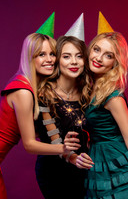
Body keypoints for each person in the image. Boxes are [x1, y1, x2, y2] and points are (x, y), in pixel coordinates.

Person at [0, 32, 79, 199]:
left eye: (52, 54)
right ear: (30, 57)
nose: (50, 59)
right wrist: (64, 148)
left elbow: (37, 131)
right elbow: (29, 144)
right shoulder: (23, 91)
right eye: (41, 54)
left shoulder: (32, 87)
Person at [74, 31, 128, 198]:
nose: (99, 58)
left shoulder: (113, 96)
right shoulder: (88, 88)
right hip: (98, 161)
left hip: (119, 163)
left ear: (114, 63)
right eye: (96, 50)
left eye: (108, 55)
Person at [35, 34, 92, 199]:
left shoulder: (87, 92)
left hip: (86, 168)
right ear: (58, 60)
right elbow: (53, 136)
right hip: (55, 172)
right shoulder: (44, 93)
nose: (74, 62)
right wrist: (72, 156)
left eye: (79, 56)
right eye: (66, 56)